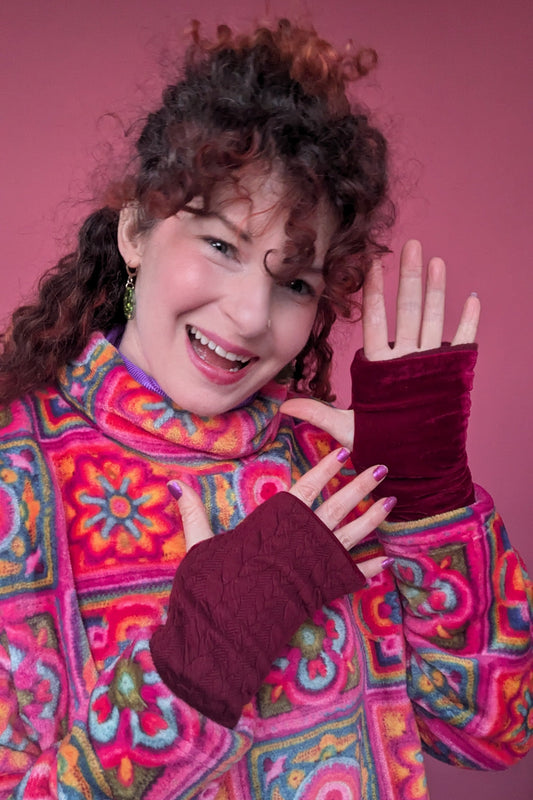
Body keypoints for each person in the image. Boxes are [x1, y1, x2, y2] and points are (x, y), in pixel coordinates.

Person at [0, 18, 530, 800]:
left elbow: (490, 730)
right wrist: (197, 661)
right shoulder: (19, 482)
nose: (250, 315)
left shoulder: (323, 473)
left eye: (294, 283)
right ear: (137, 231)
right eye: (220, 244)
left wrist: (429, 499)